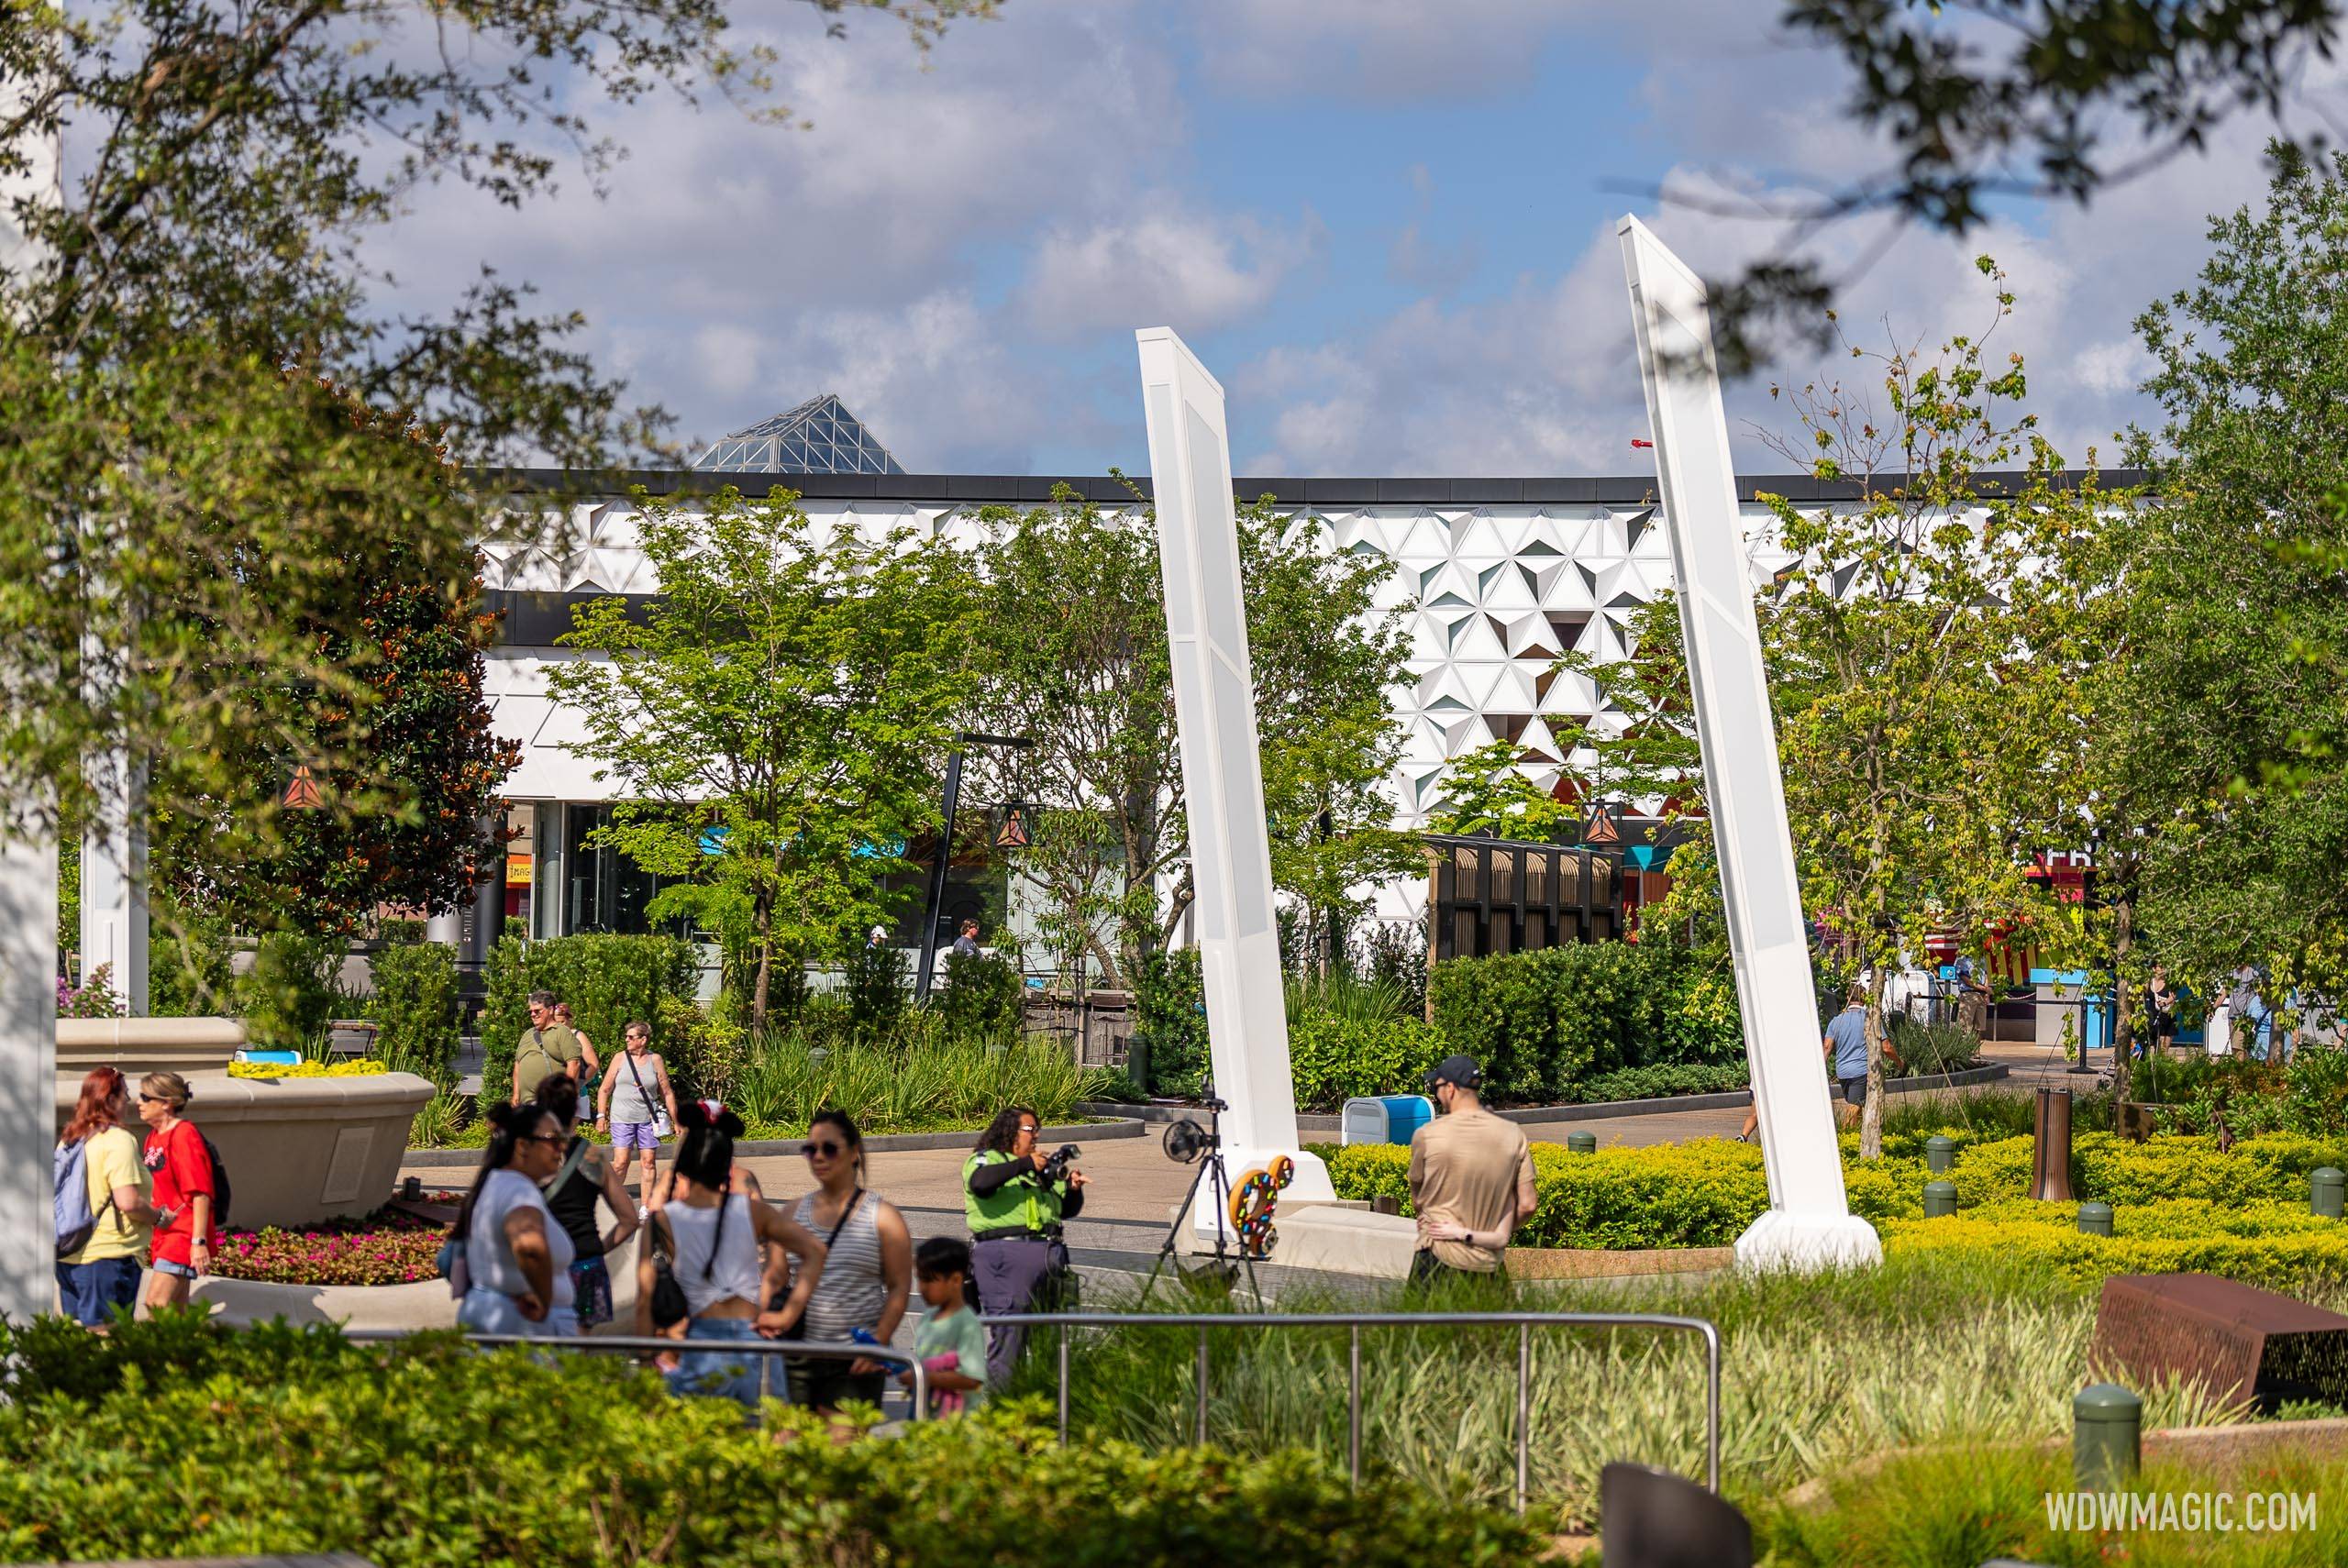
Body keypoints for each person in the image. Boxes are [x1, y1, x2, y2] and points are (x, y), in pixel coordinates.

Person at [640, 1100, 826, 1411]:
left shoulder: (663, 1221)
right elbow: (815, 1252)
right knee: (759, 1442)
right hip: (752, 1338)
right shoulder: (754, 1212)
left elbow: (644, 1299)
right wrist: (788, 1314)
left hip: (698, 1339)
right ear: (728, 1164)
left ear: (684, 1164)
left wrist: (647, 1359)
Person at [785, 1110, 913, 1416]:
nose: (818, 1157)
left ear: (854, 1152)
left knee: (842, 1449)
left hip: (855, 1360)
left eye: (829, 1148)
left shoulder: (883, 1217)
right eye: (810, 1149)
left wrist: (878, 1344)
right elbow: (774, 1278)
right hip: (799, 1356)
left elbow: (899, 1288)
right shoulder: (791, 1214)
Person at [964, 1104, 1086, 1385]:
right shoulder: (987, 1159)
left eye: (1037, 1131)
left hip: (1049, 1257)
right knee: (1011, 1338)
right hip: (1006, 1256)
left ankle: (1046, 1413)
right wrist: (1025, 1164)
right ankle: (1005, 1413)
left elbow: (1064, 1210)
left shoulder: (1039, 1169)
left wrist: (1073, 1190)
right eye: (1030, 1129)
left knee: (1051, 1341)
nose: (1036, 1136)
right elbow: (981, 1183)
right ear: (1009, 1131)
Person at [1406, 1055, 1536, 1287]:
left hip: (1436, 1259)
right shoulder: (1513, 1134)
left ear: (1450, 1089)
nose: (1437, 1095)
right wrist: (1490, 1230)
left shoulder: (1427, 1135)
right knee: (1493, 1324)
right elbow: (1527, 1205)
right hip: (1489, 1264)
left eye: (1437, 1087)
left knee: (1421, 1324)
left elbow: (1418, 1201)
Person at [451, 1099, 575, 1334]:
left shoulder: (497, 1182)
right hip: (526, 1324)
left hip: (503, 1313)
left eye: (563, 1139)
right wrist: (544, 1301)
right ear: (522, 1146)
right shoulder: (519, 1191)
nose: (561, 1148)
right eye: (553, 1139)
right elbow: (530, 1249)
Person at [533, 1074, 639, 1334]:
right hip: (586, 1262)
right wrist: (598, 1249)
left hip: (543, 1264)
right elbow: (629, 1220)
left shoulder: (530, 1154)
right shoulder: (592, 1155)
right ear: (575, 1111)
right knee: (577, 1355)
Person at [54, 1066, 155, 1328]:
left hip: (69, 1256)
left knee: (78, 1343)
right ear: (110, 1100)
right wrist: (159, 1216)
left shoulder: (71, 1139)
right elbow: (128, 1201)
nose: (129, 1101)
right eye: (125, 1094)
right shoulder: (118, 1140)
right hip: (109, 1256)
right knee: (108, 1343)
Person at [138, 1071, 220, 1312]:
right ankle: (185, 1350)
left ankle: (152, 1351)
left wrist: (198, 1242)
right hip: (164, 1233)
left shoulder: (184, 1134)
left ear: (166, 1103)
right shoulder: (153, 1137)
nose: (138, 1102)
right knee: (176, 1310)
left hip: (183, 1235)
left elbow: (201, 1193)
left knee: (156, 1304)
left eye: (145, 1097)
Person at [597, 1021, 681, 1211]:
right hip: (622, 1118)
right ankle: (611, 1202)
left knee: (648, 1162)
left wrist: (677, 1121)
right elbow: (605, 1089)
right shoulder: (620, 1058)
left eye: (631, 1037)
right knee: (620, 1162)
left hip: (647, 1119)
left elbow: (666, 1092)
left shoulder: (655, 1060)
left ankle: (645, 1206)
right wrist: (601, 1116)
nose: (626, 1039)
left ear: (643, 1040)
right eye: (626, 1036)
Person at [904, 1236, 987, 1418]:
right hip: (926, 1416)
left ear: (956, 1280)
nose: (922, 1288)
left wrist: (923, 1378)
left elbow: (973, 1379)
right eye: (920, 1279)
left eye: (929, 1280)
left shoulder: (966, 1324)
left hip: (957, 1425)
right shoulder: (927, 1318)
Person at [511, 990, 593, 1103]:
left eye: (537, 1011)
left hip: (551, 1103)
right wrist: (516, 1094)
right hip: (526, 1104)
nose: (533, 1015)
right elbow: (518, 1065)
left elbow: (574, 1065)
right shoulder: (528, 1034)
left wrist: (564, 1096)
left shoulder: (562, 1032)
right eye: (531, 1012)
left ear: (550, 1010)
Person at [1823, 985, 1869, 1127]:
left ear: (1848, 999)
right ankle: (1844, 1136)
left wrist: (1820, 1071)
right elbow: (1886, 1047)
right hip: (1860, 1070)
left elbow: (1827, 1047)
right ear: (1865, 998)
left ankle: (1856, 1135)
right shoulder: (1869, 1020)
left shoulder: (1837, 1020)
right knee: (1854, 1106)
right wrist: (1900, 1063)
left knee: (1857, 1104)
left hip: (1842, 1071)